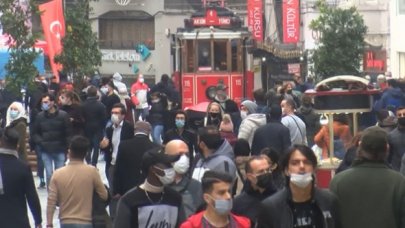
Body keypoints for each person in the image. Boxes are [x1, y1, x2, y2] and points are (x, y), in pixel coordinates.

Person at [330, 126, 405, 228]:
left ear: (360, 145)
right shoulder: (399, 182)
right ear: (387, 148)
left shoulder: (338, 181)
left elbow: (332, 221)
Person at [256, 144, 340, 228]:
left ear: (314, 169)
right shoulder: (271, 207)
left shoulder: (329, 201)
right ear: (286, 170)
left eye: (307, 162)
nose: (302, 166)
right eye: (294, 163)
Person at [46, 135, 108, 228]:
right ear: (86, 153)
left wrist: (49, 223)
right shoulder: (91, 172)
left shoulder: (57, 174)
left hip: (65, 221)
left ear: (69, 152)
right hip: (86, 221)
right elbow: (104, 195)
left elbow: (51, 201)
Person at [114, 147, 183, 228]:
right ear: (152, 169)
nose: (171, 169)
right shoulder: (129, 200)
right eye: (167, 165)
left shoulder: (175, 198)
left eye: (171, 164)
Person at [0, 127, 42, 228]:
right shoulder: (23, 168)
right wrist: (38, 220)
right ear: (17, 146)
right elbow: (32, 197)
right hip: (18, 220)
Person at [180, 170, 251, 228]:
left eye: (229, 191)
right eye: (221, 193)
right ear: (207, 198)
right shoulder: (190, 226)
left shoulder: (244, 224)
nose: (228, 196)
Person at [32, 93, 72, 187]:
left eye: (46, 102)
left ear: (52, 102)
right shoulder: (40, 116)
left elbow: (68, 133)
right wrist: (41, 142)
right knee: (49, 174)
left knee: (60, 175)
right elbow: (35, 133)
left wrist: (68, 147)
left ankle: (60, 195)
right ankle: (52, 196)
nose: (44, 104)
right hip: (45, 149)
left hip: (60, 149)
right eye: (43, 102)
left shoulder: (63, 115)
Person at [113, 121, 158, 197]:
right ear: (149, 132)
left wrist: (116, 190)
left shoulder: (124, 145)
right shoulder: (155, 148)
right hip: (148, 189)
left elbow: (118, 169)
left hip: (127, 188)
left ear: (134, 130)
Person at [232, 155, 278, 226]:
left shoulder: (280, 198)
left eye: (268, 170)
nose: (266, 173)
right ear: (250, 177)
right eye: (261, 171)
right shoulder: (238, 203)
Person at [166, 139, 203, 218]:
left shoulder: (196, 186)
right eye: (179, 154)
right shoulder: (158, 186)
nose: (184, 158)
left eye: (187, 155)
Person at [82, 85, 107, 167]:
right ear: (96, 94)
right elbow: (104, 119)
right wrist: (102, 127)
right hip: (97, 127)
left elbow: (81, 117)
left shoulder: (83, 105)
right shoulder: (101, 105)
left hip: (86, 127)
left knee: (87, 145)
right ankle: (94, 163)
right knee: (96, 147)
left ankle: (88, 160)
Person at [388, 106, 405, 171]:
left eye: (404, 114)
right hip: (398, 171)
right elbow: (389, 156)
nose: (402, 116)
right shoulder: (391, 136)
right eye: (399, 115)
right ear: (396, 117)